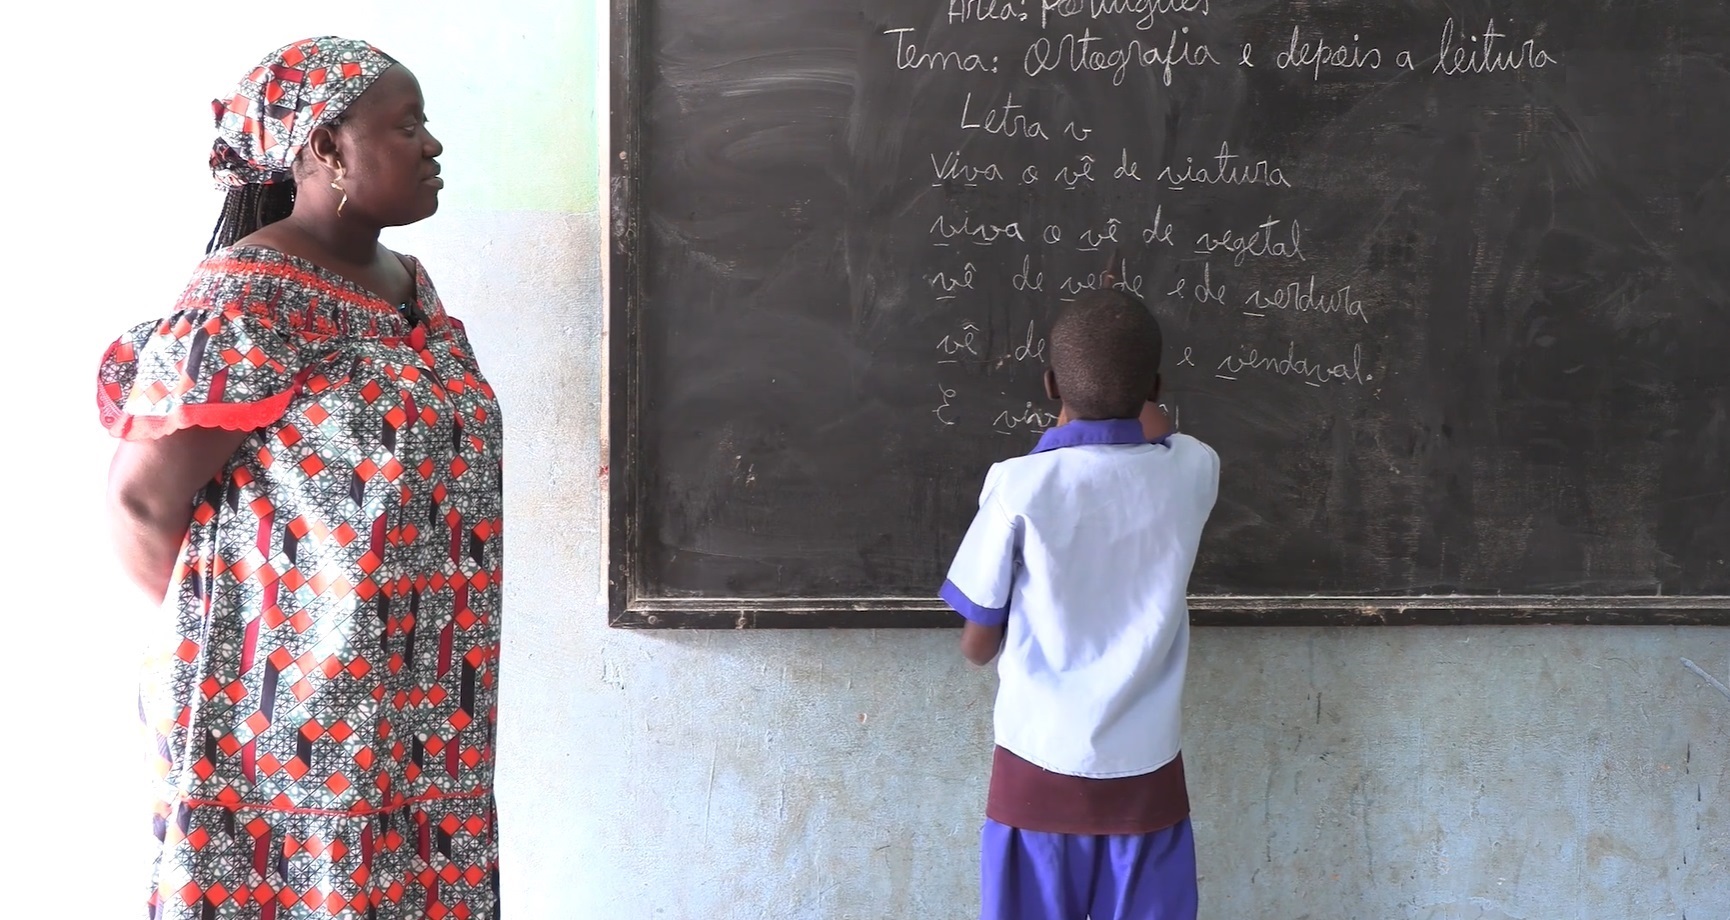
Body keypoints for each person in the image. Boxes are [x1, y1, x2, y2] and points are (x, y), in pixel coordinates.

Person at [98, 37, 503, 919]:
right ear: (325, 148)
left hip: (420, 714)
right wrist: (248, 642)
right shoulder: (248, 297)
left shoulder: (408, 286)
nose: (432, 144)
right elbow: (140, 502)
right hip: (288, 722)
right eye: (407, 126)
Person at [940, 288, 1219, 920]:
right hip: (1146, 774)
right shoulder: (1195, 470)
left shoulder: (1018, 485)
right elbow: (1161, 430)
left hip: (1036, 769)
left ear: (1049, 384)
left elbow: (978, 648)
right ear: (1156, 386)